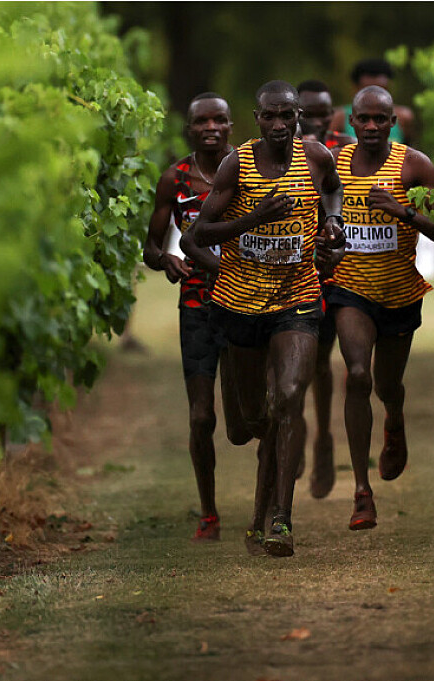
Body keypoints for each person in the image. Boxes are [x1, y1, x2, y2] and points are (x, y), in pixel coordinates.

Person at [183, 80, 344, 557]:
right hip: (240, 305)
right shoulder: (238, 164)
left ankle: (281, 520)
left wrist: (332, 222)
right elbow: (198, 234)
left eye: (287, 116)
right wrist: (252, 220)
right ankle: (261, 507)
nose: (278, 124)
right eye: (269, 116)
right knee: (248, 423)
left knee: (290, 396)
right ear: (257, 119)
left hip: (297, 298)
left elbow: (332, 191)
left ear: (298, 117)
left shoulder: (316, 157)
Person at [326, 85, 434, 531]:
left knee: (387, 385)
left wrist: (403, 211)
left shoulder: (414, 166)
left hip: (399, 295)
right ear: (351, 121)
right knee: (358, 375)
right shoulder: (333, 164)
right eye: (365, 119)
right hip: (350, 291)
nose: (373, 126)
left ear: (393, 122)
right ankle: (362, 491)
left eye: (381, 119)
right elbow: (317, 218)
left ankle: (394, 421)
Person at [142, 92, 236, 542]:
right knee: (201, 417)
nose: (211, 128)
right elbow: (150, 247)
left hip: (246, 300)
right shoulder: (174, 179)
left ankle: (270, 508)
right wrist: (166, 261)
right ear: (189, 129)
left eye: (219, 120)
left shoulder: (250, 169)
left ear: (231, 126)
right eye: (202, 122)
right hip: (198, 304)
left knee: (247, 419)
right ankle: (209, 512)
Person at [294, 79, 353, 499]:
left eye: (324, 113)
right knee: (292, 363)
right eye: (309, 113)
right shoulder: (283, 150)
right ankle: (294, 429)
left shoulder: (346, 149)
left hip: (334, 271)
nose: (317, 121)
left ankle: (324, 439)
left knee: (319, 362)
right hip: (291, 270)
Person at [329, 58, 416, 148]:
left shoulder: (403, 117)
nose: (372, 126)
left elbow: (409, 149)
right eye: (363, 119)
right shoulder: (339, 118)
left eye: (381, 119)